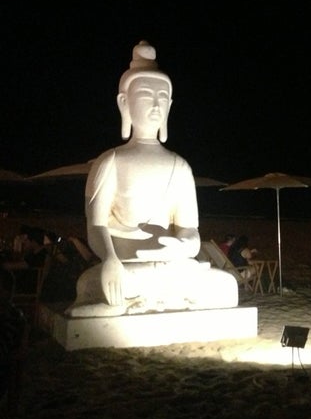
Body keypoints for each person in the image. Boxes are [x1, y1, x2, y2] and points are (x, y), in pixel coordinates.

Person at [65, 41, 238, 317]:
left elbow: (190, 231)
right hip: (126, 268)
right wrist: (110, 259)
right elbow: (96, 226)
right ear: (124, 103)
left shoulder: (179, 166)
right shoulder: (110, 162)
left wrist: (183, 245)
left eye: (162, 98)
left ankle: (143, 301)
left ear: (170, 106)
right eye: (147, 95)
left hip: (171, 269)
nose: (156, 106)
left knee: (226, 285)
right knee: (90, 283)